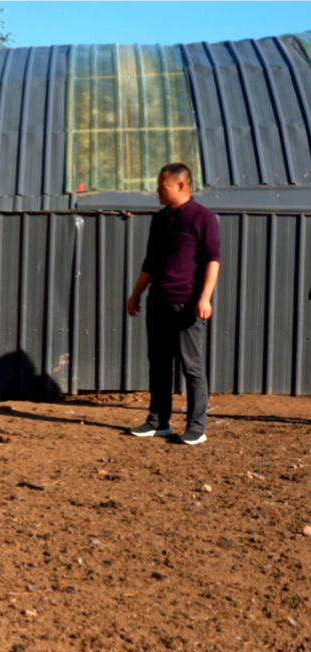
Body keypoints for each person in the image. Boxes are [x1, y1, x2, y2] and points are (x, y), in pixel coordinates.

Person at [126, 163, 221, 445]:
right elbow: (151, 263)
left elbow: (212, 260)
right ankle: (158, 422)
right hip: (158, 301)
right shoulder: (160, 219)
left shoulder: (202, 217)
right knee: (158, 364)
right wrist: (136, 293)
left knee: (192, 367)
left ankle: (196, 427)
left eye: (161, 185)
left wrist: (205, 297)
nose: (157, 189)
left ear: (181, 185)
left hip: (186, 303)